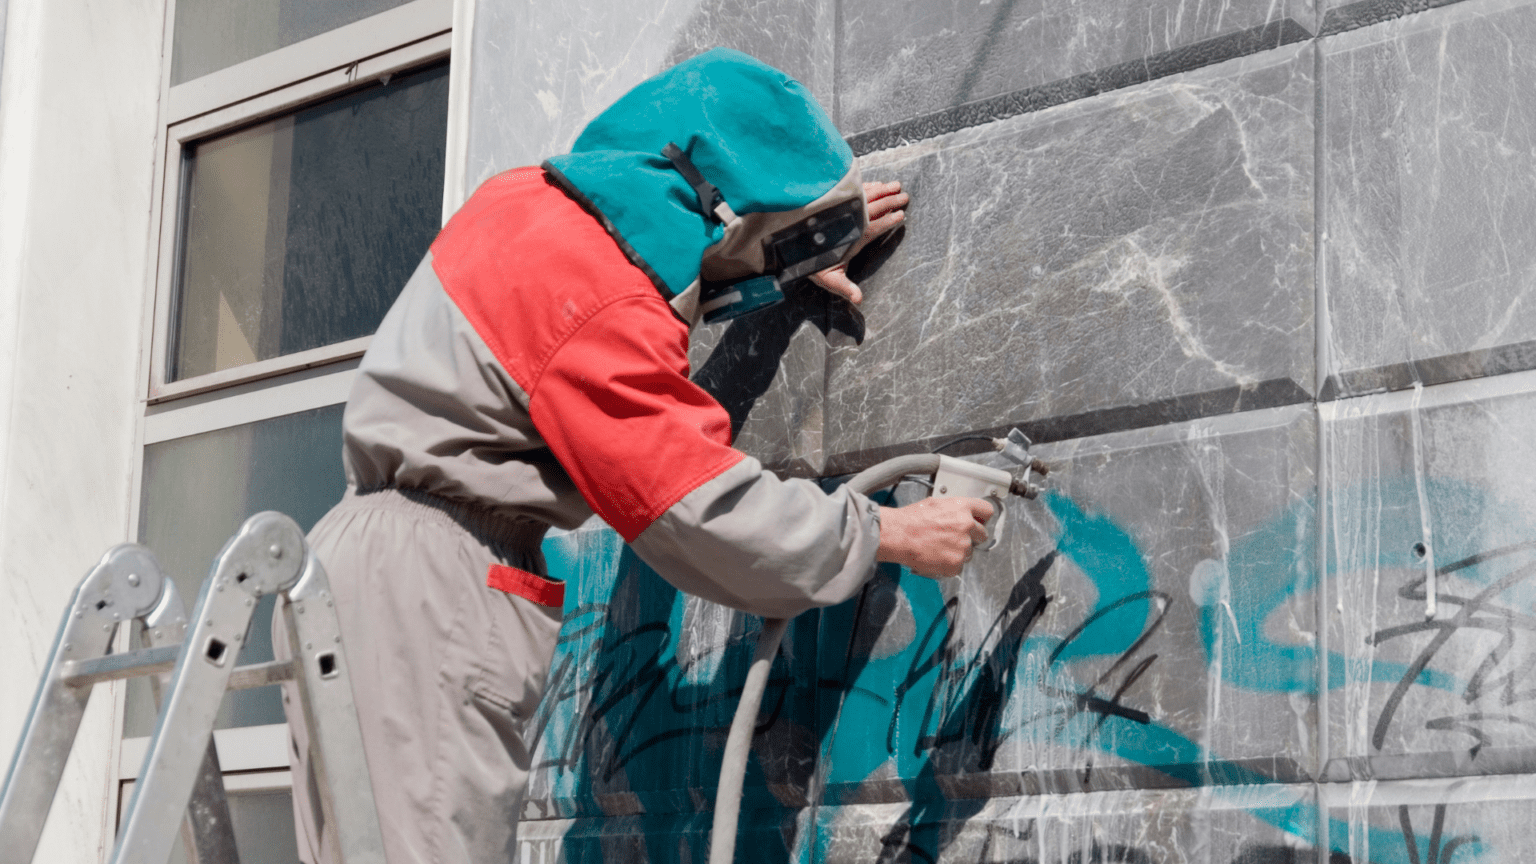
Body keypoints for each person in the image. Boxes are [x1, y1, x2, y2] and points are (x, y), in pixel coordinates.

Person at [275, 48, 993, 864]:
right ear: (724, 205)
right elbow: (697, 507)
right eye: (771, 231)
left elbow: (639, 279)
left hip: (354, 571)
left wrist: (775, 264)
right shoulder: (600, 300)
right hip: (429, 598)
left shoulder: (527, 206)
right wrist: (888, 536)